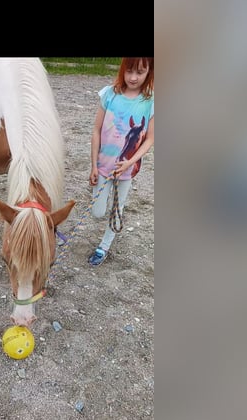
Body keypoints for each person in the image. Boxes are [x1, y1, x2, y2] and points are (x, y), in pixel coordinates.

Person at [88, 57, 154, 266]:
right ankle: (106, 224)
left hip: (127, 168)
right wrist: (93, 165)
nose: (133, 78)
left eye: (140, 72)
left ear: (149, 72)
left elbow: (150, 138)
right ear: (122, 70)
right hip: (103, 165)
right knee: (97, 212)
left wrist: (130, 162)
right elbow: (97, 130)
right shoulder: (109, 94)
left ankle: (104, 246)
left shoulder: (151, 101)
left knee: (117, 210)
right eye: (129, 71)